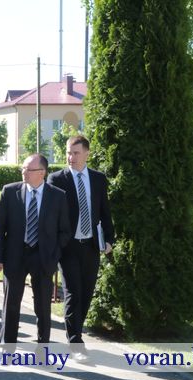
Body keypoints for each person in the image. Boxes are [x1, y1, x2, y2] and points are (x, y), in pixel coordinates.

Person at [47, 135, 114, 361]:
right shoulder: (57, 179)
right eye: (68, 152)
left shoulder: (98, 179)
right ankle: (75, 341)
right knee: (73, 292)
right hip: (68, 247)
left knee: (86, 293)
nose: (71, 157)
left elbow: (105, 212)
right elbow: (51, 216)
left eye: (75, 153)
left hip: (91, 246)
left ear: (87, 153)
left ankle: (76, 331)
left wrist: (109, 239)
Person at [0, 154, 71, 345]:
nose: (23, 172)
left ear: (42, 172)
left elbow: (65, 231)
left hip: (43, 258)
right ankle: (8, 346)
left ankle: (43, 347)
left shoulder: (58, 196)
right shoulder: (10, 192)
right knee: (11, 303)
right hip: (15, 256)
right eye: (23, 168)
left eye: (28, 169)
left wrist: (54, 255)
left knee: (43, 307)